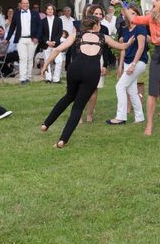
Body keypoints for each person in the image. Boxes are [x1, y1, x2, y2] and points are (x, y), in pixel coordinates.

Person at [40, 15, 132, 148]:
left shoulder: (77, 34)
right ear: (95, 25)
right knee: (78, 106)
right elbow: (121, 46)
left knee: (69, 96)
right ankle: (62, 140)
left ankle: (46, 124)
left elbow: (57, 49)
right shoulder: (103, 37)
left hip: (75, 68)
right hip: (92, 72)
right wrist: (129, 43)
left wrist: (45, 66)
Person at [113, 0, 160, 137]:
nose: (153, 2)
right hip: (157, 55)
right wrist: (122, 3)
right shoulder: (151, 18)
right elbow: (133, 18)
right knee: (152, 92)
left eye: (157, 0)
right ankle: (149, 125)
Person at [107, 5, 147, 125]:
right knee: (132, 90)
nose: (130, 15)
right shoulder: (124, 29)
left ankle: (121, 117)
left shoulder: (140, 28)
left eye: (133, 13)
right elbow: (123, 49)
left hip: (138, 62)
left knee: (120, 87)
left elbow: (141, 48)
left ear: (137, 15)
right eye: (128, 13)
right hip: (127, 62)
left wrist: (133, 65)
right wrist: (120, 66)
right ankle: (139, 117)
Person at [83, 5, 111, 123]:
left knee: (94, 88)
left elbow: (106, 49)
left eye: (100, 14)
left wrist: (104, 65)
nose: (98, 16)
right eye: (96, 13)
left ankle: (89, 114)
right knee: (81, 88)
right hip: (83, 60)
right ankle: (78, 114)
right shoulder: (82, 28)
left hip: (98, 60)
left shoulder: (104, 29)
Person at [6, 0, 42, 84]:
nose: (25, 5)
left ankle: (28, 77)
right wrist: (7, 39)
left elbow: (40, 26)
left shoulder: (35, 13)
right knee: (22, 58)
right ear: (20, 5)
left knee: (30, 59)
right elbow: (12, 27)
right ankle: (22, 78)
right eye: (24, 3)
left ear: (29, 4)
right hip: (20, 39)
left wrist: (37, 37)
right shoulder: (16, 14)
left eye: (27, 3)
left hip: (32, 39)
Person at [39, 3, 63, 83]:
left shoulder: (58, 20)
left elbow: (60, 33)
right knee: (47, 61)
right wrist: (47, 42)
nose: (50, 10)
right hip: (46, 45)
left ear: (53, 10)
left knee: (59, 61)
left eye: (51, 9)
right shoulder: (42, 21)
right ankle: (48, 79)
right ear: (45, 11)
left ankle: (56, 79)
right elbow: (41, 33)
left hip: (56, 45)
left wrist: (54, 41)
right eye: (48, 9)